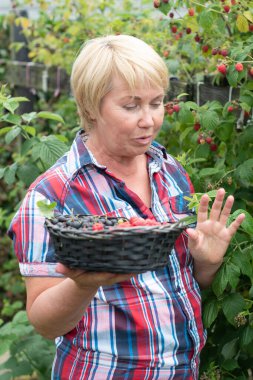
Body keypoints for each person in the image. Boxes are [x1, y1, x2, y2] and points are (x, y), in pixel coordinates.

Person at [7, 35, 245, 380]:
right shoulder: (51, 197)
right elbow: (44, 322)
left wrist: (206, 264)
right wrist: (83, 284)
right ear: (91, 107)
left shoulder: (169, 171)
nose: (148, 120)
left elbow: (178, 282)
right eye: (131, 106)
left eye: (157, 102)